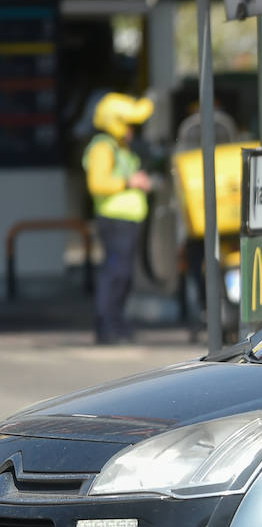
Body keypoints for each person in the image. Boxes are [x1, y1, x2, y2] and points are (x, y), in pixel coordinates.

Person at [84, 91, 154, 344]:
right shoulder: (103, 147)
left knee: (123, 276)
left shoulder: (121, 148)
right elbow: (97, 183)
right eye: (128, 125)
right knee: (115, 274)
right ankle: (107, 327)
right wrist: (129, 181)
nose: (132, 130)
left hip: (126, 221)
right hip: (114, 221)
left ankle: (117, 324)